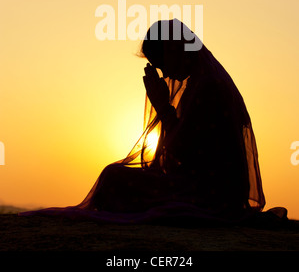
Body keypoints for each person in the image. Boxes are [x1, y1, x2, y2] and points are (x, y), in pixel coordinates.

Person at [20, 19, 287, 225]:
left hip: (212, 194)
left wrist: (162, 106)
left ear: (177, 51)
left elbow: (189, 153)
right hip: (204, 187)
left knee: (114, 178)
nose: (165, 73)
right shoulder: (200, 83)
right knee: (115, 176)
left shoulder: (208, 87)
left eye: (163, 63)